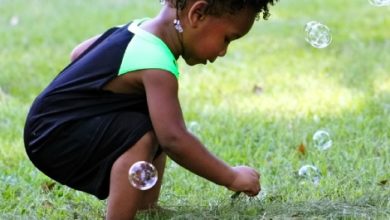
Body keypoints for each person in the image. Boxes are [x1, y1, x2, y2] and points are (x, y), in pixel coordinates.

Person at [23, 0, 278, 219]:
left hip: (45, 125)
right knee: (143, 132)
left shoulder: (137, 28)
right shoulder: (157, 65)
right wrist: (231, 177)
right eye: (227, 38)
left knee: (152, 120)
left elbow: (78, 53)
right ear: (197, 14)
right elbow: (175, 139)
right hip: (53, 137)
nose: (223, 51)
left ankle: (146, 210)